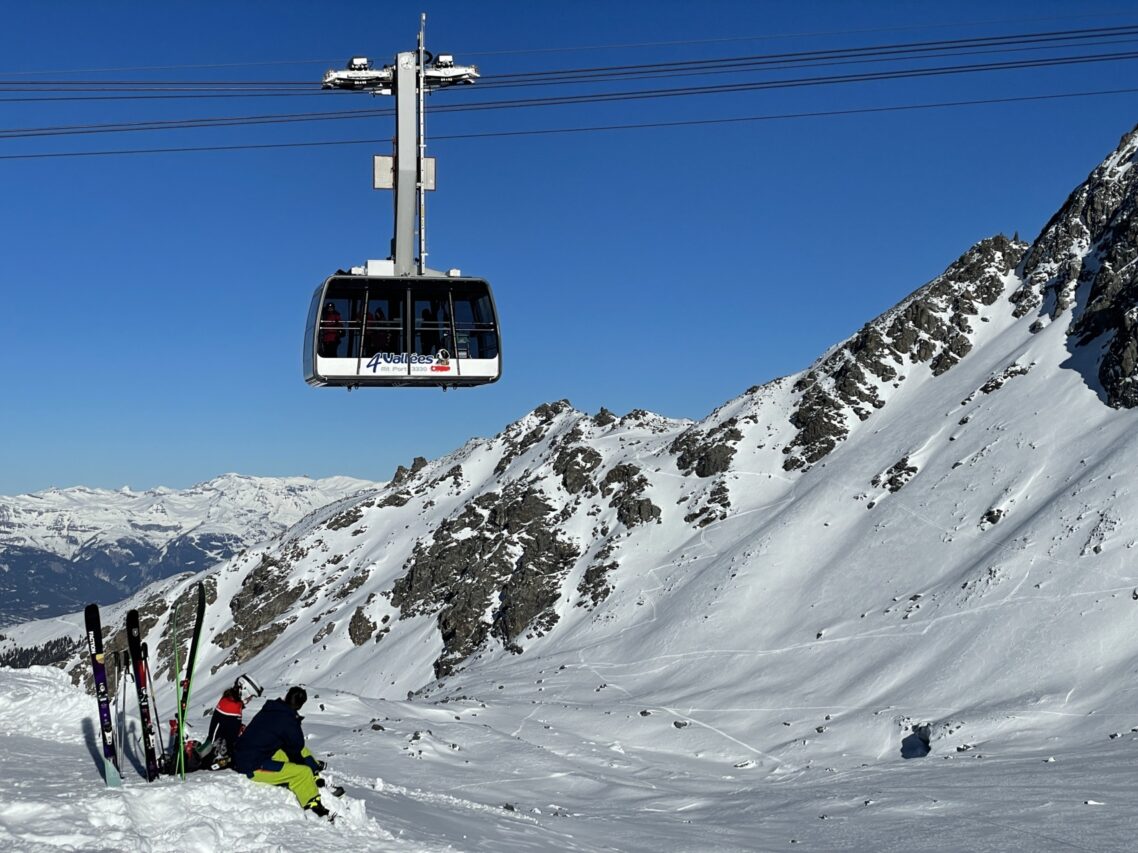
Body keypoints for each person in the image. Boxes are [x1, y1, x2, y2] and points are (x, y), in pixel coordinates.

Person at [232, 686, 331, 818]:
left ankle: (313, 769)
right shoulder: (289, 722)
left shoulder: (272, 708)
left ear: (286, 696)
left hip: (244, 754)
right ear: (300, 706)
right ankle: (313, 807)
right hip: (251, 767)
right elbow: (296, 749)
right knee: (302, 773)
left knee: (290, 751)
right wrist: (306, 766)